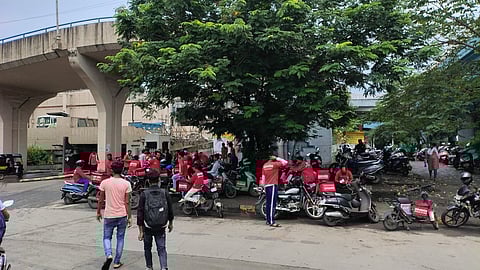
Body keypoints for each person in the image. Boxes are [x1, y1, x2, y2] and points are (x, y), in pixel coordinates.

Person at [97, 161, 132, 270]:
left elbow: (100, 200)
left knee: (107, 237)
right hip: (122, 214)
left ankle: (109, 255)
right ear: (122, 170)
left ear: (112, 170)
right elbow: (127, 202)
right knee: (120, 238)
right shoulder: (126, 184)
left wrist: (98, 212)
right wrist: (129, 216)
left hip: (109, 215)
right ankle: (117, 262)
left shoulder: (105, 183)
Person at [137, 170, 174, 270]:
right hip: (161, 226)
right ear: (159, 180)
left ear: (148, 181)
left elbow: (140, 213)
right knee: (161, 248)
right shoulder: (164, 192)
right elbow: (170, 209)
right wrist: (170, 223)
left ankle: (149, 267)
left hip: (147, 226)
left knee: (147, 248)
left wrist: (140, 231)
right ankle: (164, 267)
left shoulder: (144, 194)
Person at [260, 156, 288, 227]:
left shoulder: (265, 165)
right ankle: (272, 221)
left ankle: (268, 220)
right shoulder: (275, 164)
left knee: (268, 204)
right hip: (272, 185)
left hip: (266, 186)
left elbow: (263, 177)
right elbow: (285, 163)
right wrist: (277, 158)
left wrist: (263, 186)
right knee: (272, 204)